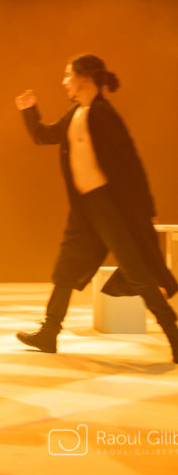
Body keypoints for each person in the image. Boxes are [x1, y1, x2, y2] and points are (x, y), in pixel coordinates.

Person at [14, 54, 178, 363]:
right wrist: (29, 111)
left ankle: (176, 335)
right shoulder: (77, 113)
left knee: (138, 271)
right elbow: (43, 135)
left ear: (84, 78)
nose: (64, 82)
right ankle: (49, 333)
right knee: (65, 268)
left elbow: (131, 164)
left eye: (68, 76)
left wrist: (144, 209)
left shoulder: (103, 115)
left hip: (110, 207)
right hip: (84, 208)